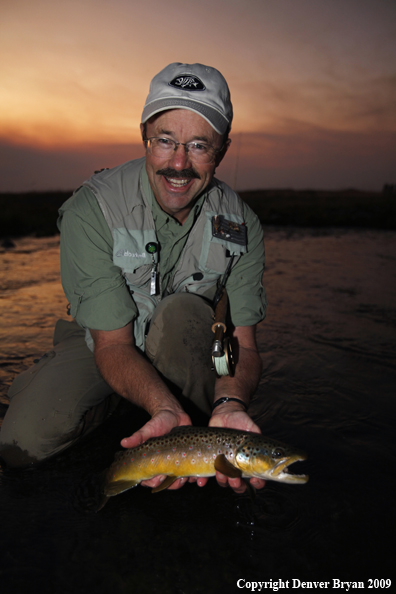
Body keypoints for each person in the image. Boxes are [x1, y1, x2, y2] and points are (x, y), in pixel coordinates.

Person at [0, 63, 267, 494]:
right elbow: (112, 344)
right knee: (20, 445)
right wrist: (161, 405)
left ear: (222, 149)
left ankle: (191, 422)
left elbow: (246, 345)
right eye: (164, 140)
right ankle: (131, 408)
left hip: (182, 345)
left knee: (181, 314)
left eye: (199, 145)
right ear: (144, 133)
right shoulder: (92, 210)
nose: (178, 164)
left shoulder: (244, 226)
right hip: (103, 344)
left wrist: (231, 402)